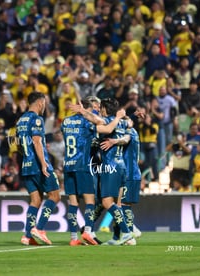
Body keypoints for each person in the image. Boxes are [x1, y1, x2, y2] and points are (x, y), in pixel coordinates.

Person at [61, 97, 125, 246]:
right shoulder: (87, 122)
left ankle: (73, 238)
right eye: (95, 106)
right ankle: (88, 232)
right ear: (86, 107)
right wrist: (85, 113)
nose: (97, 108)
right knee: (91, 201)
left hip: (68, 165)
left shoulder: (65, 122)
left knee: (73, 203)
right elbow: (105, 125)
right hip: (83, 166)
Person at [16, 92, 61, 246]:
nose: (45, 106)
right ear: (40, 102)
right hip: (38, 165)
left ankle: (27, 235)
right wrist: (43, 164)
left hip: (26, 166)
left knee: (35, 200)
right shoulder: (37, 119)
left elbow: (18, 146)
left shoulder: (20, 120)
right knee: (55, 196)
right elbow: (36, 142)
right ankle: (39, 229)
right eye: (45, 102)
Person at [101, 119, 142, 245]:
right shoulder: (131, 131)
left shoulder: (129, 133)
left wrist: (114, 141)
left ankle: (130, 235)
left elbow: (125, 139)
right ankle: (116, 236)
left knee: (124, 206)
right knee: (118, 205)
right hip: (130, 172)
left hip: (129, 173)